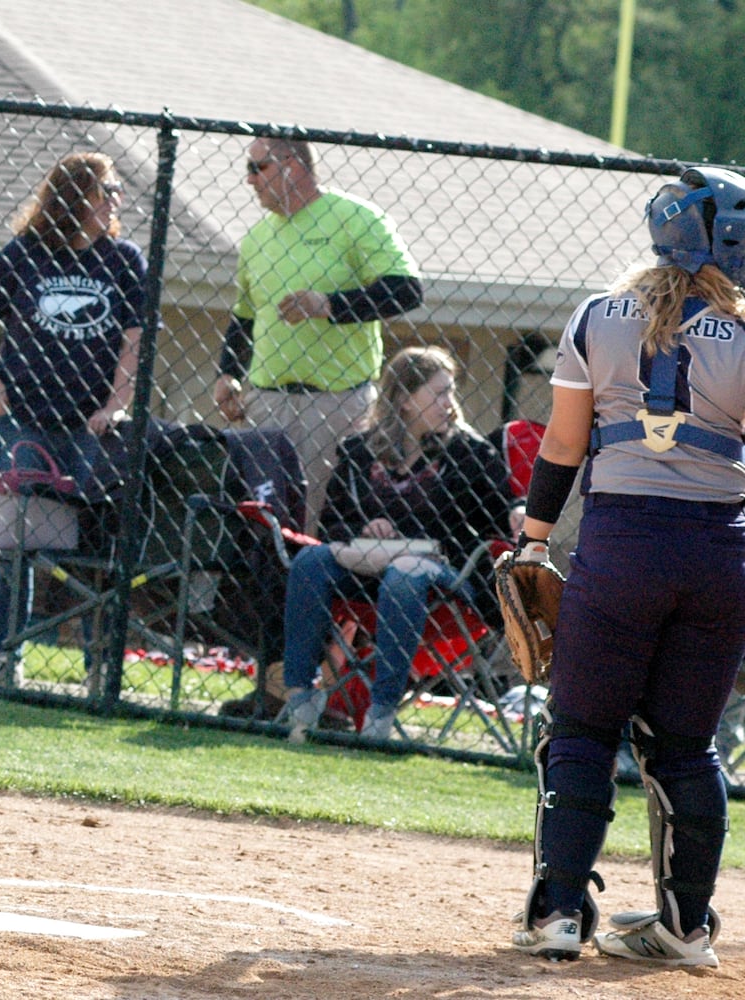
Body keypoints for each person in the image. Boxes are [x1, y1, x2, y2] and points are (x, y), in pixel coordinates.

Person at [510, 167, 745, 968]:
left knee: (581, 730)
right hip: (720, 553)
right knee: (686, 746)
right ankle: (684, 929)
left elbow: (565, 446)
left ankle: (559, 914)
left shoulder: (599, 315)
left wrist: (534, 540)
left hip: (620, 549)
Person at [0, 151, 151, 690]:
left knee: (97, 547)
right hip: (23, 422)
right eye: (106, 189)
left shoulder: (123, 260)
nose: (116, 199)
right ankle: (6, 657)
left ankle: (100, 667)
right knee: (12, 543)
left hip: (92, 430)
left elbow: (135, 340)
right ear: (74, 196)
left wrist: (114, 404)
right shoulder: (26, 254)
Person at [280, 346, 516, 739]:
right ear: (404, 400)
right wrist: (365, 524)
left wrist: (518, 508)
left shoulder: (469, 452)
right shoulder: (359, 452)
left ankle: (381, 711)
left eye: (450, 392)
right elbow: (333, 523)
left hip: (441, 575)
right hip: (369, 566)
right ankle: (299, 695)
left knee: (405, 574)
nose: (450, 404)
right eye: (438, 393)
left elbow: (495, 518)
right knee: (310, 560)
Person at [212, 137, 423, 532]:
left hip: (336, 404)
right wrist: (227, 372)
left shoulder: (356, 218)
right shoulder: (257, 237)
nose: (250, 180)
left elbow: (407, 290)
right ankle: (261, 595)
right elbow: (244, 317)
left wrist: (329, 305)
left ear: (291, 165)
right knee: (257, 526)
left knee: (320, 525)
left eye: (258, 168)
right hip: (266, 403)